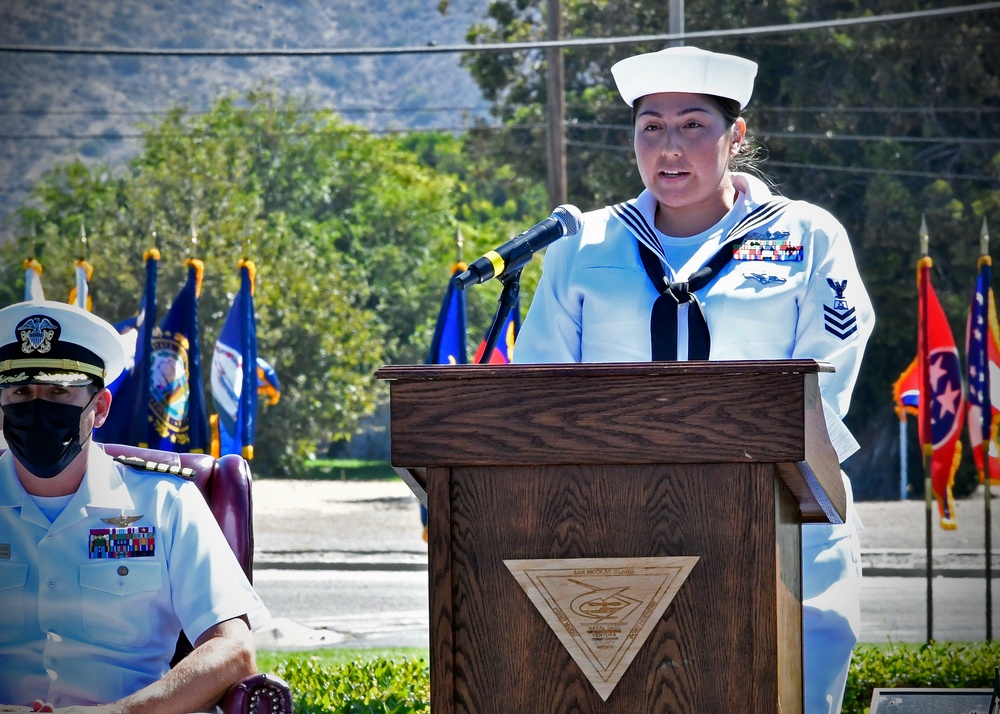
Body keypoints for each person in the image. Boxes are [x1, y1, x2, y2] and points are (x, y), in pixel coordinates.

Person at [513, 45, 875, 713]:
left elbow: (825, 384)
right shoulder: (585, 246)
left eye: (692, 125)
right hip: (617, 530)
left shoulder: (805, 236)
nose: (669, 147)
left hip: (782, 528)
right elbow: (540, 390)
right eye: (650, 126)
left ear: (736, 136)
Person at [0, 300, 270, 713]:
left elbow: (233, 649)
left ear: (101, 407)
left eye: (59, 392)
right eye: (21, 391)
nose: (38, 408)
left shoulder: (164, 503)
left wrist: (118, 713)